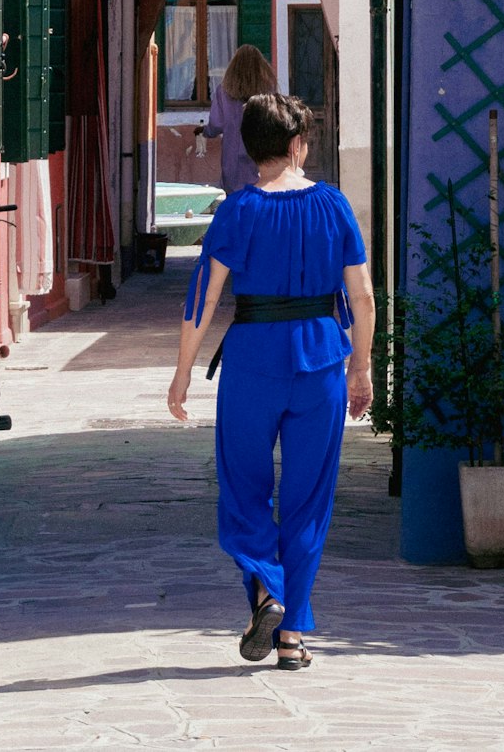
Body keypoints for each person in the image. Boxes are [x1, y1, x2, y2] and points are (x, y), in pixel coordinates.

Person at [168, 93, 375, 670]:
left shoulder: (237, 210)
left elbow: (201, 300)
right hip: (321, 365)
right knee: (309, 501)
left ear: (250, 148)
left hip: (253, 363)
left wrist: (183, 374)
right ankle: (291, 638)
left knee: (243, 490)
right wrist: (361, 368)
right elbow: (362, 296)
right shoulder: (334, 206)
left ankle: (268, 591)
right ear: (297, 145)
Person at [194, 44, 278, 194]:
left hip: (232, 155)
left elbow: (216, 124)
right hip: (261, 152)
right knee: (260, 196)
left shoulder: (223, 91)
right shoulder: (269, 90)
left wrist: (205, 131)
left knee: (234, 200)